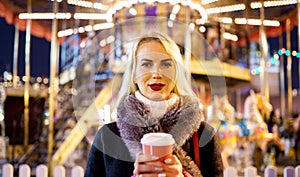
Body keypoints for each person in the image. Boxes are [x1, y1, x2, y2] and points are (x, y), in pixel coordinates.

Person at [84, 31, 224, 177]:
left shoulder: (204, 135)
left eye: (166, 64)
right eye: (146, 64)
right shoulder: (107, 137)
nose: (157, 73)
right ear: (134, 75)